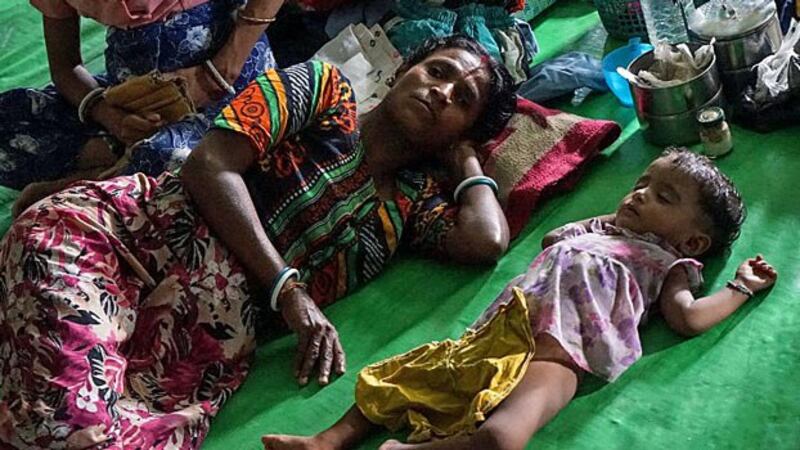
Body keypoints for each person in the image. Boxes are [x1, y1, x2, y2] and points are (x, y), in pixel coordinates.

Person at [0, 36, 517, 448]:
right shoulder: (321, 90)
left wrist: (466, 161)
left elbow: (487, 240)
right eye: (438, 71)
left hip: (187, 352)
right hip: (119, 241)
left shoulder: (405, 208)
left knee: (83, 425)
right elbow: (210, 166)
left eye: (462, 100)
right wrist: (289, 292)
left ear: (461, 130)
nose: (442, 91)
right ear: (405, 68)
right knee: (72, 429)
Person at [261, 148, 779, 450]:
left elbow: (686, 316)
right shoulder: (599, 229)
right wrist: (598, 223)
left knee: (503, 437)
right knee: (400, 379)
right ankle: (324, 443)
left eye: (663, 197)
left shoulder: (668, 263)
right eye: (643, 183)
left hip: (563, 353)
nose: (640, 194)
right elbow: (556, 242)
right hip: (496, 333)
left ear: (692, 244)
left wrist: (739, 288)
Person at [1, 0, 282, 216]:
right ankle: (117, 159)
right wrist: (110, 116)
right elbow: (65, 67)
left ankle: (81, 182)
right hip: (132, 98)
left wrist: (222, 70)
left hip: (232, 76)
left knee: (182, 161)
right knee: (7, 119)